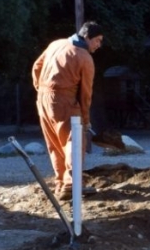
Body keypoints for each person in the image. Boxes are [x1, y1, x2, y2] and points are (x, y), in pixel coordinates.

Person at [32, 21, 103, 199]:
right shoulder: (84, 58)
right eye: (97, 40)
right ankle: (72, 185)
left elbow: (36, 67)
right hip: (64, 101)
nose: (99, 45)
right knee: (74, 141)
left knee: (55, 144)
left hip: (43, 98)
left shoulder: (55, 44)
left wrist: (42, 89)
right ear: (87, 37)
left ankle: (60, 184)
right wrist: (85, 120)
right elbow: (86, 94)